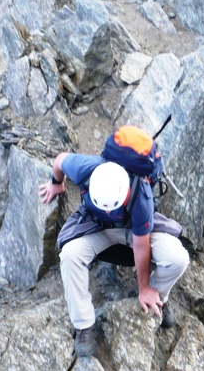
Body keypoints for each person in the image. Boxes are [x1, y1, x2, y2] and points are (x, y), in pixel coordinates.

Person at [39, 147, 190, 357]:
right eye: (105, 206)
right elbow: (60, 160)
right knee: (70, 255)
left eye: (113, 206)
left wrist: (144, 287)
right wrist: (56, 183)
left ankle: (159, 297)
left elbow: (141, 245)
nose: (110, 211)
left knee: (178, 258)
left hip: (133, 230)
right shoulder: (86, 168)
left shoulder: (140, 195)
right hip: (95, 227)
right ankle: (83, 326)